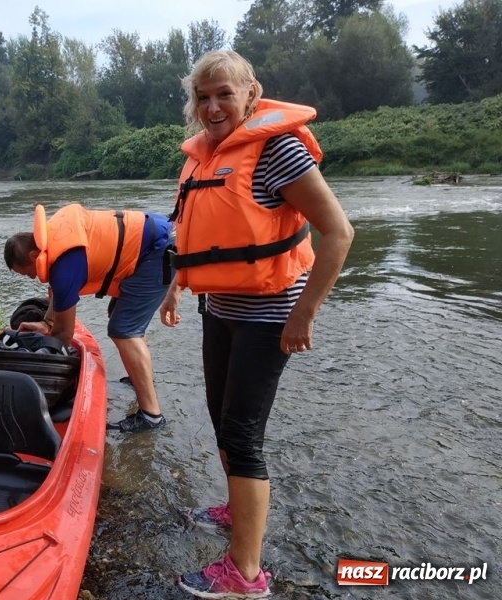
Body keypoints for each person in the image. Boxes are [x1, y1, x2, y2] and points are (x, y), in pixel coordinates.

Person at [160, 50, 354, 598]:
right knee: (222, 421)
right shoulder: (203, 157)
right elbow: (194, 234)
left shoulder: (278, 150)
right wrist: (176, 285)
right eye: (203, 97)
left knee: (243, 435)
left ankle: (245, 574)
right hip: (220, 308)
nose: (213, 107)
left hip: (270, 315)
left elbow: (339, 233)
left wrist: (304, 314)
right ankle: (234, 509)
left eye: (225, 94)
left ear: (251, 93)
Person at [4, 202, 174, 433]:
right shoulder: (57, 237)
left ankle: (151, 416)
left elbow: (64, 333)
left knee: (124, 330)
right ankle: (139, 378)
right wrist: (46, 323)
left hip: (157, 250)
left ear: (34, 255)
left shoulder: (64, 266)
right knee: (121, 319)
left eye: (27, 273)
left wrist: (42, 358)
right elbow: (59, 296)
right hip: (154, 241)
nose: (32, 278)